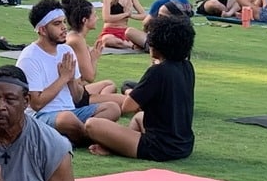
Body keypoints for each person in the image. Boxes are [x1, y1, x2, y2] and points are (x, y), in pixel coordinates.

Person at [83, 12, 196, 161]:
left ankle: (116, 146)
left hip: (159, 147)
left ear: (157, 45)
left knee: (92, 124)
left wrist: (131, 91)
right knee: (138, 118)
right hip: (184, 145)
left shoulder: (158, 71)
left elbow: (126, 107)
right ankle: (117, 145)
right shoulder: (187, 66)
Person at [15, 0, 120, 146]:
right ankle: (93, 137)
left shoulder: (66, 50)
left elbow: (77, 98)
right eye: (57, 24)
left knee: (112, 108)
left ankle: (73, 138)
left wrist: (71, 80)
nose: (64, 27)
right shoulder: (30, 57)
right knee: (66, 119)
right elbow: (36, 104)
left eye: (64, 22)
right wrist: (63, 78)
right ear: (42, 30)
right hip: (42, 117)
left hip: (71, 112)